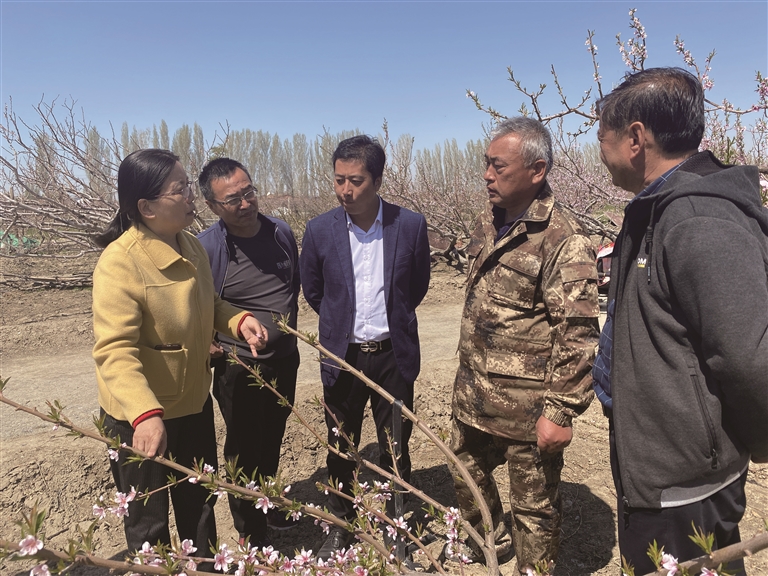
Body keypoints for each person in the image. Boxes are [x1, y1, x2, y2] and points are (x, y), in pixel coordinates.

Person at [592, 67, 768, 576]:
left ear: (635, 138)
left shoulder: (695, 218)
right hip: (665, 473)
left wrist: (752, 443)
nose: (599, 152)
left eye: (602, 138)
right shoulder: (655, 209)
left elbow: (749, 358)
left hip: (687, 487)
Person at [92, 149, 268, 558]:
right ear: (147, 207)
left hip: (191, 404)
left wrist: (237, 320)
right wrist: (144, 414)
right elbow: (115, 350)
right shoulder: (120, 263)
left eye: (188, 186)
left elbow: (208, 303)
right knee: (147, 520)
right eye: (181, 189)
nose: (191, 196)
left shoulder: (190, 246)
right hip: (138, 417)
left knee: (200, 506)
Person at [450, 117, 600, 574]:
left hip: (527, 411)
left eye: (498, 166)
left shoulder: (564, 239)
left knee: (534, 510)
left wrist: (560, 411)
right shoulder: (488, 220)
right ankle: (491, 541)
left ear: (537, 170)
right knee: (463, 472)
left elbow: (578, 333)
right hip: (473, 397)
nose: (486, 175)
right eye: (486, 164)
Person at [300, 135, 431, 559]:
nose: (345, 190)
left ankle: (398, 525)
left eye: (355, 180)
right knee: (340, 446)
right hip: (344, 357)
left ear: (376, 180)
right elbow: (315, 291)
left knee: (396, 445)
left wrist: (391, 320)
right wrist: (341, 326)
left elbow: (416, 285)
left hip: (393, 355)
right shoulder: (320, 230)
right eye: (339, 180)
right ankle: (343, 524)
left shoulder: (408, 225)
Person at [197, 158, 300, 547]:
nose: (245, 204)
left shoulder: (280, 232)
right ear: (212, 206)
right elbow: (200, 305)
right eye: (233, 199)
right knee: (243, 447)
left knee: (272, 437)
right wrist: (212, 342)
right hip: (239, 367)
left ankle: (267, 503)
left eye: (249, 192)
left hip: (285, 360)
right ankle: (249, 529)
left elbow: (292, 284)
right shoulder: (208, 247)